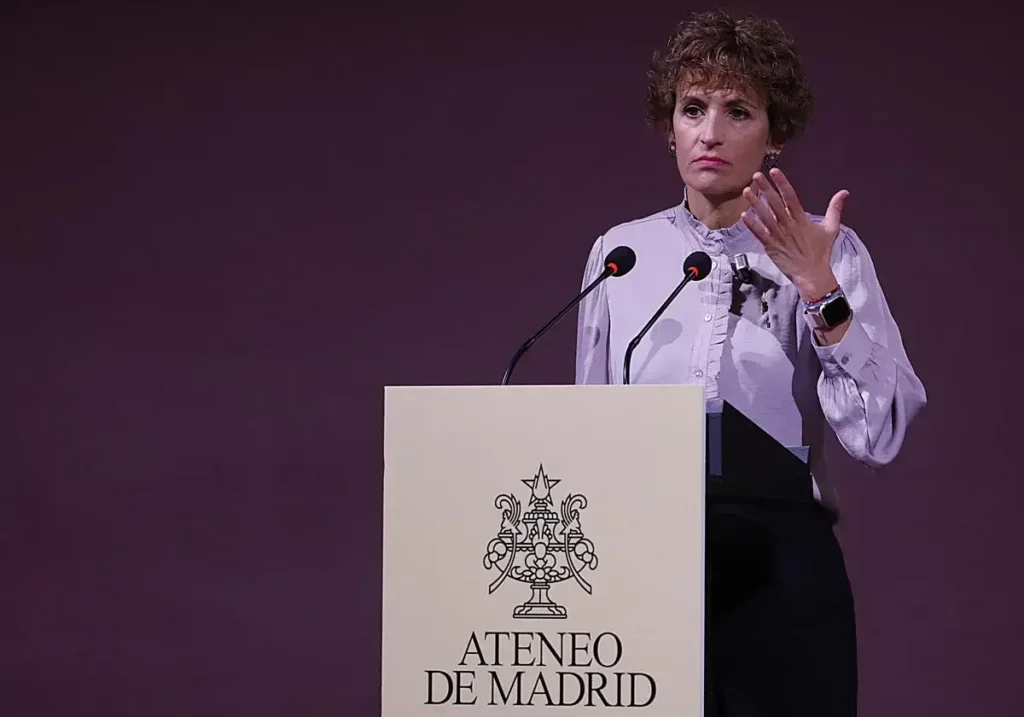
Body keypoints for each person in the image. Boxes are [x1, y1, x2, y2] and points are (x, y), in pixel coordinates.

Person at [574, 9, 927, 717]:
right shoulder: (621, 254)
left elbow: (878, 434)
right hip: (646, 560)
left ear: (775, 132)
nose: (710, 132)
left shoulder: (829, 251)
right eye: (692, 108)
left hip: (779, 565)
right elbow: (588, 427)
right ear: (667, 124)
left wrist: (819, 291)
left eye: (738, 111)